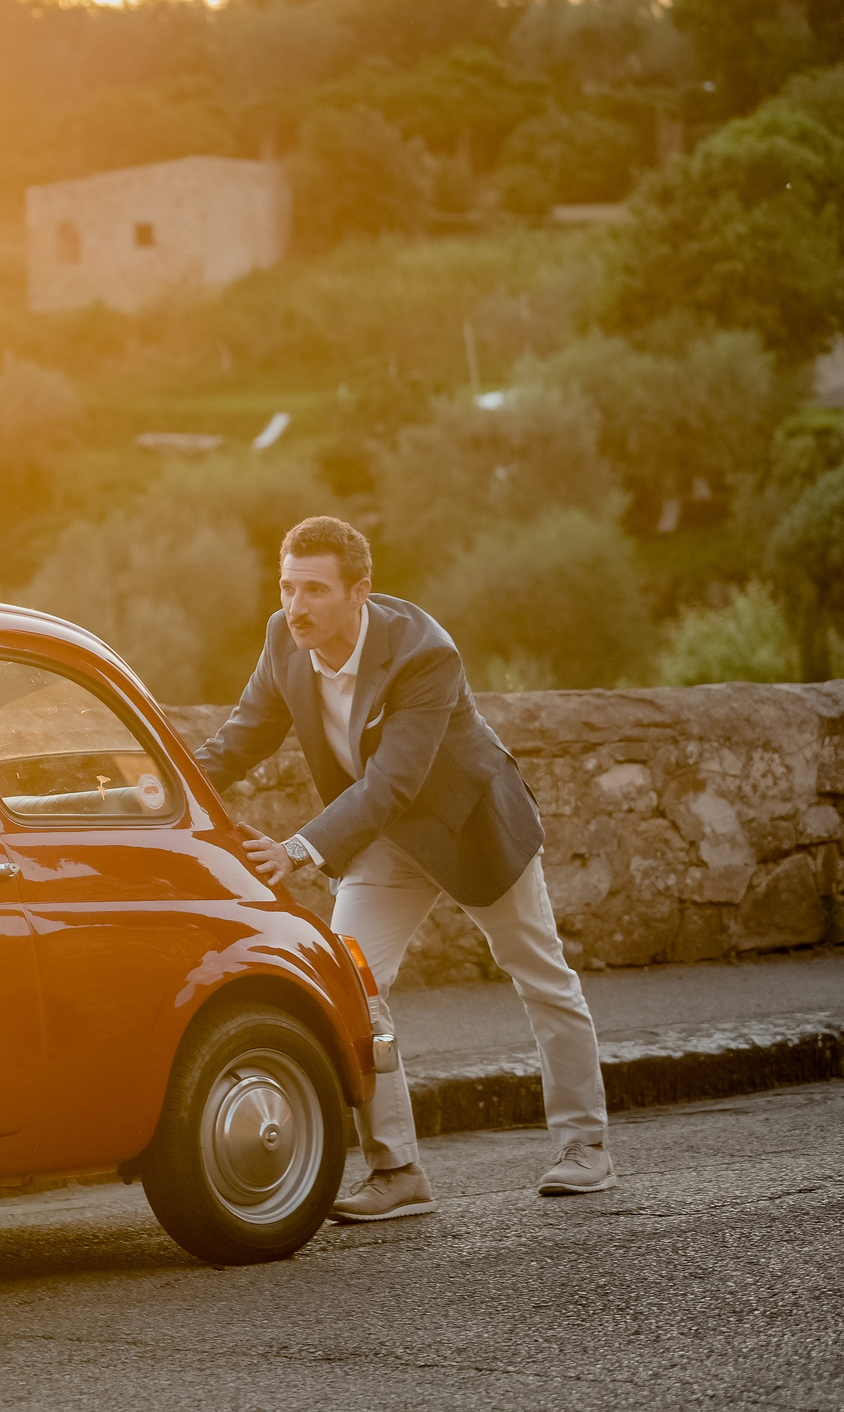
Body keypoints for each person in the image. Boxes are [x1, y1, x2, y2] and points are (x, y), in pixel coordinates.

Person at [194, 516, 613, 1223]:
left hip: (467, 825)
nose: (296, 606)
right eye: (288, 586)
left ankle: (586, 1149)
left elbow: (393, 782)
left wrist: (296, 849)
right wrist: (163, 790)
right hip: (383, 841)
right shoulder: (281, 639)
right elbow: (240, 739)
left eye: (316, 590)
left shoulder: (425, 653)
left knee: (540, 974)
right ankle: (397, 1171)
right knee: (352, 987)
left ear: (360, 592)